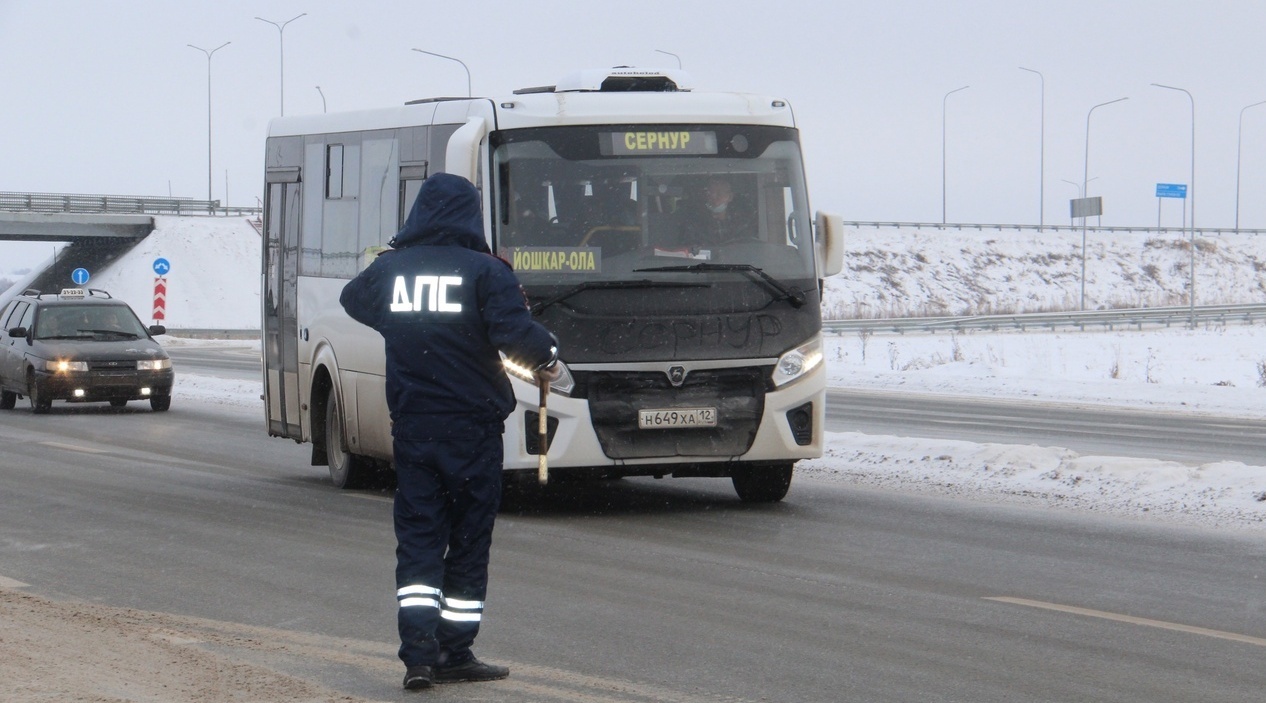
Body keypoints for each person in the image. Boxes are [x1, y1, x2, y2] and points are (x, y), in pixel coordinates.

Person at [339, 173, 558, 691]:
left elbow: (354, 299)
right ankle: (454, 652)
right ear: (469, 215)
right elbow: (515, 335)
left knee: (418, 539)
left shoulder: (391, 270)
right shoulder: (486, 271)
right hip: (472, 431)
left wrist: (405, 323)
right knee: (466, 540)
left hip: (414, 430)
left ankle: (416, 657)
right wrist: (547, 353)